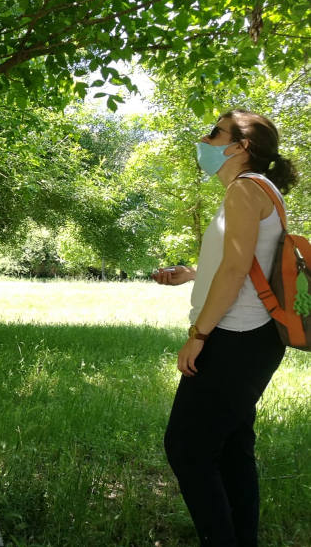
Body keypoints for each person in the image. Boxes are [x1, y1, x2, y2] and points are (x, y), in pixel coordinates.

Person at [152, 110, 298, 546]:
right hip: (256, 339)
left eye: (216, 132)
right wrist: (194, 273)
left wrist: (198, 335)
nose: (205, 137)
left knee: (187, 450)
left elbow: (237, 269)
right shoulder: (258, 190)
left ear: (240, 147)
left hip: (235, 340)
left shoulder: (243, 190)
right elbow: (245, 261)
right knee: (233, 452)